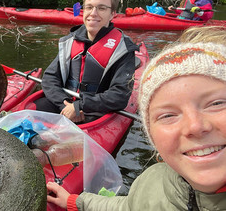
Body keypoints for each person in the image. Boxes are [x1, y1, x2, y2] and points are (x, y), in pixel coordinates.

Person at [46, 27, 226, 210]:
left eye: (217, 103)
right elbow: (128, 206)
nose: (194, 126)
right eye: (168, 115)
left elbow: (116, 97)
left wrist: (80, 106)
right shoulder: (151, 185)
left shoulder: (122, 51)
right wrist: (74, 202)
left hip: (91, 108)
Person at [35, 0, 138, 123]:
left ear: (112, 14)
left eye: (101, 8)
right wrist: (66, 105)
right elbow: (49, 78)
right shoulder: (70, 41)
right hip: (65, 104)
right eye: (89, 7)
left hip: (96, 113)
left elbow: (119, 95)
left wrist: (80, 106)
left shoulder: (123, 49)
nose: (93, 13)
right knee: (32, 111)